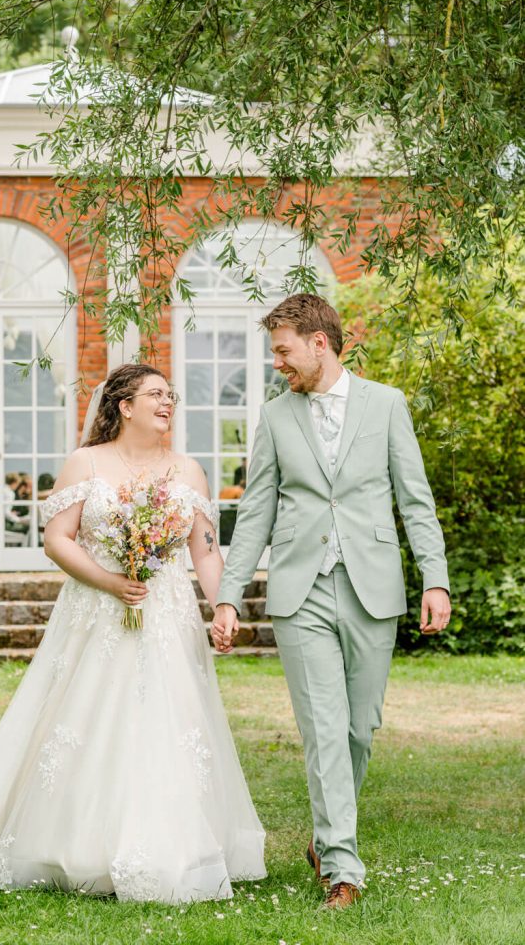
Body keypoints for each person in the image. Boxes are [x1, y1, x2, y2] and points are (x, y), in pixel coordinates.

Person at [0, 364, 266, 902]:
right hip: (97, 611)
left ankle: (177, 846)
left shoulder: (188, 470)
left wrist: (224, 606)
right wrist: (111, 580)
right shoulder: (86, 462)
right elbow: (58, 539)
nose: (168, 403)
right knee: (86, 718)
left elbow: (205, 550)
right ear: (123, 405)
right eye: (155, 395)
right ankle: (75, 846)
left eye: (171, 396)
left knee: (173, 723)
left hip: (165, 614)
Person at [212, 293, 451, 911]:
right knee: (322, 727)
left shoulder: (387, 405)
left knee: (358, 727)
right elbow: (256, 508)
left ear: (320, 342)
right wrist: (229, 596)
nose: (277, 364)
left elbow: (415, 500)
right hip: (300, 588)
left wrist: (436, 578)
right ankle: (342, 865)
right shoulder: (275, 416)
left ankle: (327, 837)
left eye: (284, 351)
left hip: (372, 583)